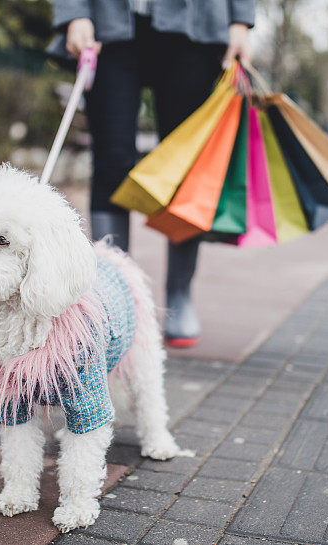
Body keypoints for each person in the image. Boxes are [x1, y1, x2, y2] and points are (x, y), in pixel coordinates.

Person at [48, 0, 255, 347]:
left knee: (186, 166)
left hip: (197, 24)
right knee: (111, 161)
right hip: (110, 21)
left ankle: (179, 295)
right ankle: (113, 300)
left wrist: (240, 20)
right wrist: (74, 12)